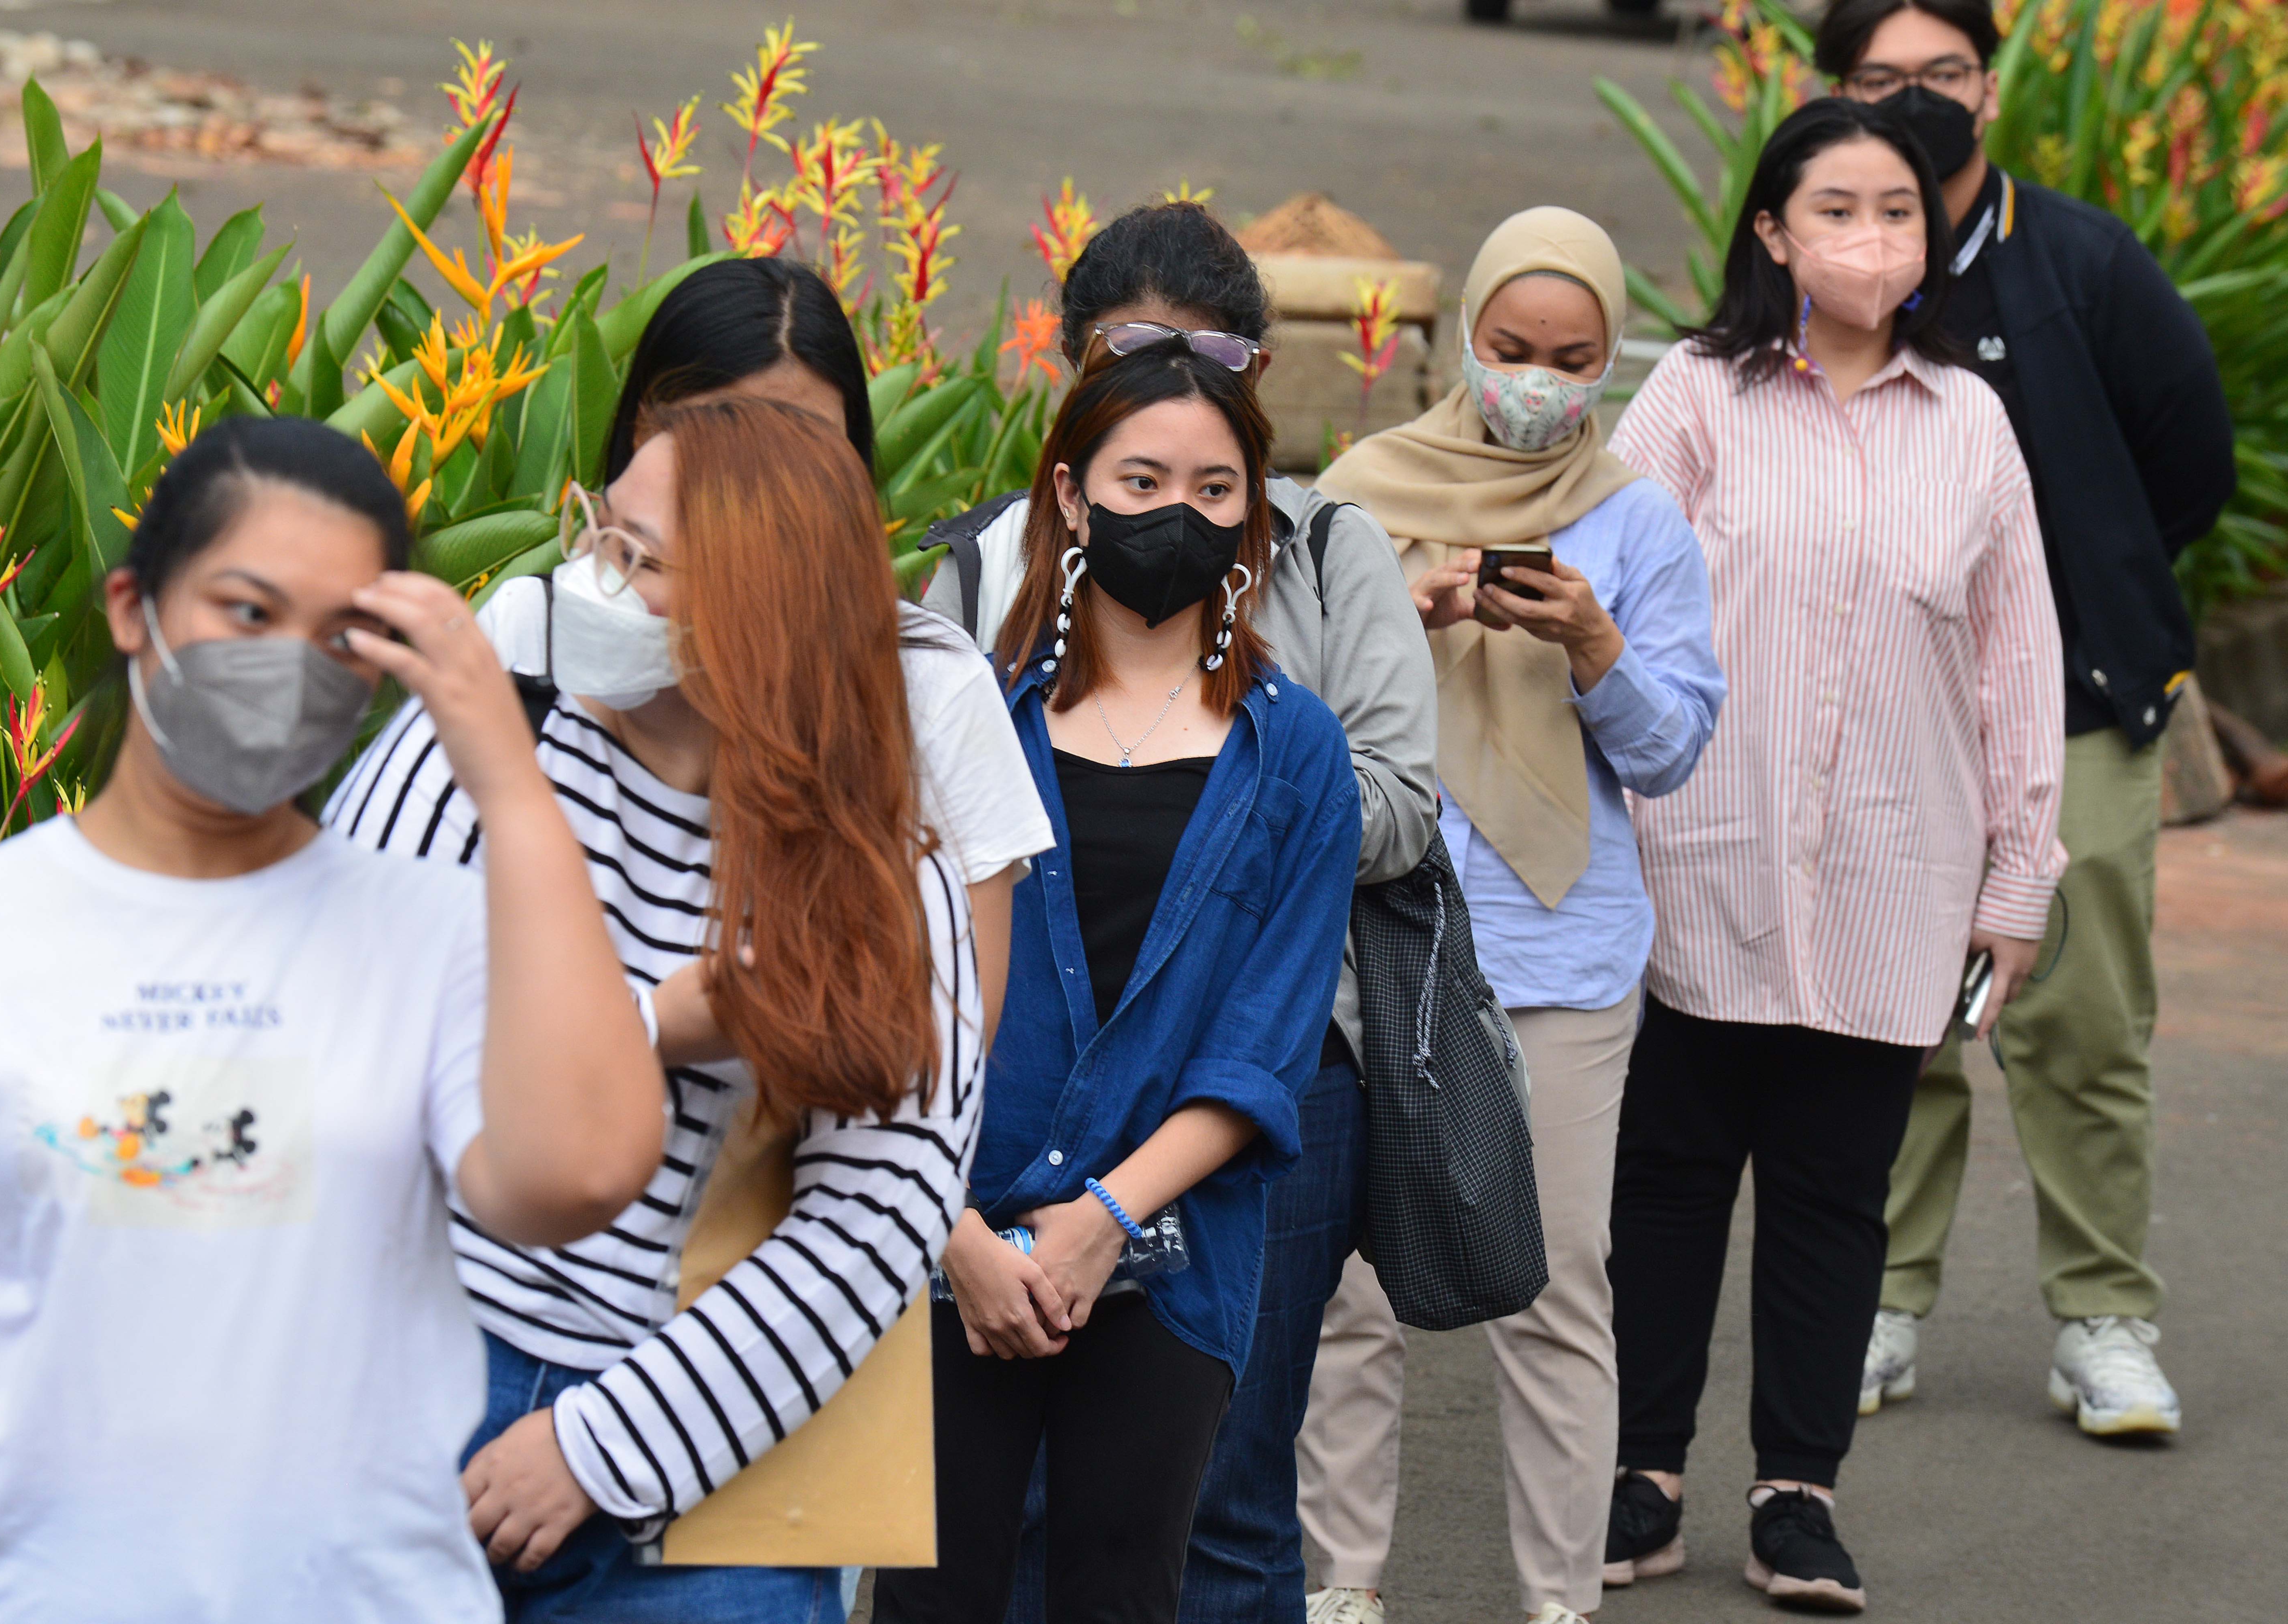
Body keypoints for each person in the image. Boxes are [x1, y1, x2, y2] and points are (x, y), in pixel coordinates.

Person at [0, 416, 666, 1622]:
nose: (287, 663)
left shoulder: (433, 935)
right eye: (246, 612)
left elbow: (582, 1173)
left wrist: (504, 767)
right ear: (134, 609)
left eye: (340, 636)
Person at [328, 398, 985, 1622]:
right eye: (600, 535)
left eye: (640, 562)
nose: (592, 579)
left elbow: (885, 1211)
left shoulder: (880, 867)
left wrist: (603, 1446)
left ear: (759, 614)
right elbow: (337, 1031)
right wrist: (645, 1023)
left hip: (693, 1468)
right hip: (395, 1390)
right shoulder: (483, 744)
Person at [918, 200, 1438, 1624]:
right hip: (950, 1230)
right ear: (1071, 496)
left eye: (1215, 493)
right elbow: (906, 987)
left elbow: (1266, 1037)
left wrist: (1095, 1221)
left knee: (1148, 1568)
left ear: (1253, 518)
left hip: (1174, 1238)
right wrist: (961, 1225)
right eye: (1138, 480)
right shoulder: (966, 712)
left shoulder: (1297, 751)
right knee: (939, 1588)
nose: (1178, 515)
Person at [1600, 96, 2066, 1613]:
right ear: (1770, 236)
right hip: (1696, 862)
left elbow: (2018, 666)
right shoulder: (1690, 398)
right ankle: (1642, 1470)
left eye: (1898, 213)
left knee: (1829, 1191)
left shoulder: (1970, 423)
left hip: (1889, 875)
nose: (1874, 239)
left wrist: (2018, 882)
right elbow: (1597, 600)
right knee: (1665, 1181)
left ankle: (1796, 1492)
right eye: (1839, 211)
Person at [1816, 0, 2233, 1440]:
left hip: (2077, 707)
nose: (1915, 99)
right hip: (1881, 719)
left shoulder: (2079, 264)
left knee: (2079, 1020)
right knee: (1894, 1025)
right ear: (1832, 95)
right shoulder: (1822, 271)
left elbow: (2190, 451)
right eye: (1879, 79)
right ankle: (1875, 1301)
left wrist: (2085, 592)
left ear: (1987, 91)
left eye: (1940, 74)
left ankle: (2101, 1319)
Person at [1303, 207, 1724, 1624]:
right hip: (1371, 933)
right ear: (1462, 336)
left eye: (1570, 357)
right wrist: (1395, 616)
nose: (1534, 381)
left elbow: (1669, 752)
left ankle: (1558, 1594)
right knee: (1343, 1285)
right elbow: (1276, 718)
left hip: (1558, 951)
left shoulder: (1638, 517)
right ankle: (1343, 1577)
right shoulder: (1359, 491)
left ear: (1609, 360)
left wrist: (1596, 645)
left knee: (1556, 1280)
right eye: (1507, 349)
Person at [594, 254, 1052, 1045]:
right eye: (711, 434)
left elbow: (959, 1031)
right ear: (639, 430)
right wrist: (650, 1029)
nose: (754, 483)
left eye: (798, 444)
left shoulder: (928, 683)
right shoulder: (548, 647)